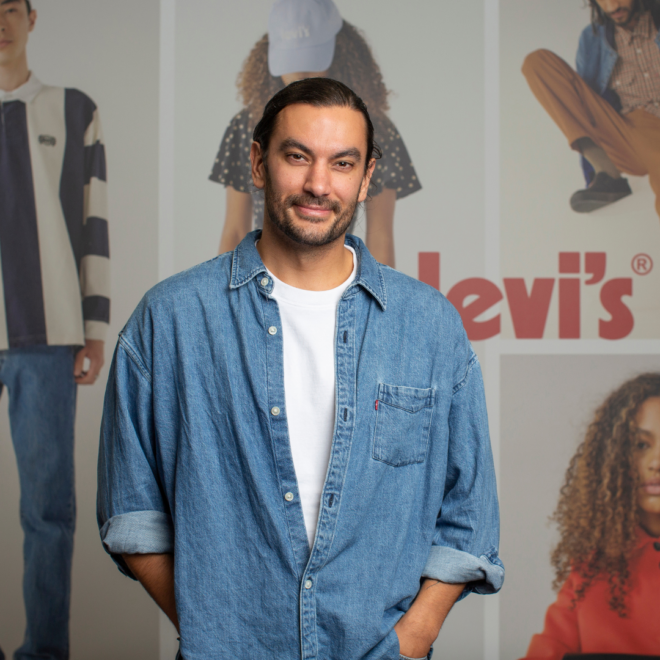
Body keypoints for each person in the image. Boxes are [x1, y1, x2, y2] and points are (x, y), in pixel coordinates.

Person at [98, 78, 503, 660]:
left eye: (342, 163)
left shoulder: (429, 326)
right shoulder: (171, 318)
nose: (319, 184)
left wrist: (408, 644)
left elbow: (470, 518)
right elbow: (131, 513)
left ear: (366, 179)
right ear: (259, 163)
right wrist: (217, 630)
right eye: (298, 157)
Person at [0, 1, 110, 659]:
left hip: (48, 334)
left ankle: (45, 651)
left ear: (32, 17)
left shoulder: (75, 109)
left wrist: (94, 326)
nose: (0, 17)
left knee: (47, 509)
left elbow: (93, 223)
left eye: (12, 4)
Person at [210, 0, 421, 268]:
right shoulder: (245, 124)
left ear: (340, 51)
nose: (300, 72)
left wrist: (381, 305)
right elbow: (234, 230)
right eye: (296, 156)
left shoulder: (377, 130)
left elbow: (380, 235)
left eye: (342, 163)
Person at [521, 373, 660, 659]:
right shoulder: (592, 564)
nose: (656, 463)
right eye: (641, 445)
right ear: (613, 457)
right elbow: (549, 651)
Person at [522, 0, 660, 216]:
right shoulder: (593, 38)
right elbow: (579, 107)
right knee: (537, 62)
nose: (612, 6)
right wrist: (594, 173)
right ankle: (607, 173)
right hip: (627, 132)